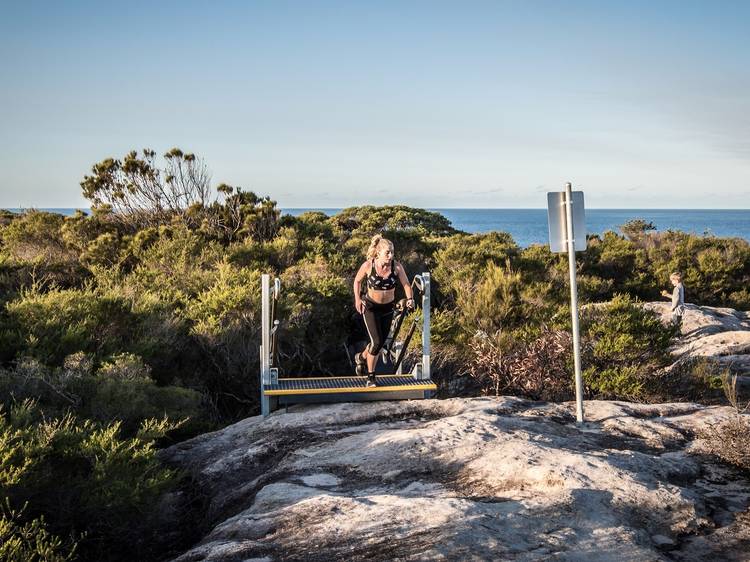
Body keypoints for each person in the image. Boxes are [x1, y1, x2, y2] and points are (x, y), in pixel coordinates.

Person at [353, 235, 415, 387]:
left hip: (387, 309)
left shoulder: (397, 267)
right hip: (370, 308)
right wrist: (357, 299)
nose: (390, 255)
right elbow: (357, 281)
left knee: (379, 345)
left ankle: (361, 357)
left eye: (392, 252)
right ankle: (371, 377)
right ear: (378, 253)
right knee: (377, 342)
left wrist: (410, 298)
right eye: (387, 252)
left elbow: (407, 285)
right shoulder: (369, 266)